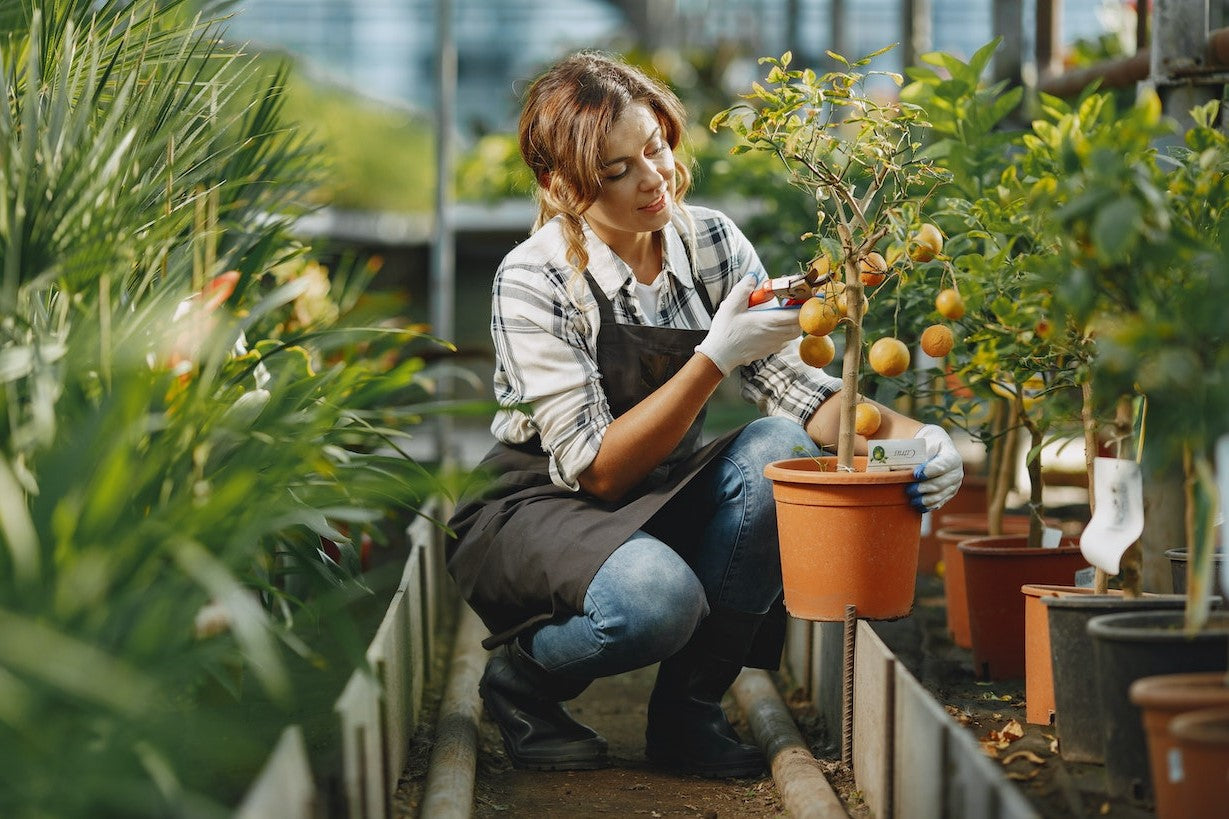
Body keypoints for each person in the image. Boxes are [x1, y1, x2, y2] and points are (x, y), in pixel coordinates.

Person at [446, 50, 964, 779]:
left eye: (654, 147)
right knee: (656, 600)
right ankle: (523, 682)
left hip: (651, 488)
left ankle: (688, 715)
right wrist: (713, 356)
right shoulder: (534, 279)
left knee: (776, 445)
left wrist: (921, 442)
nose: (652, 179)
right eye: (617, 170)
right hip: (540, 502)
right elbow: (594, 469)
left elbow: (801, 392)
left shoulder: (712, 243)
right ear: (561, 185)